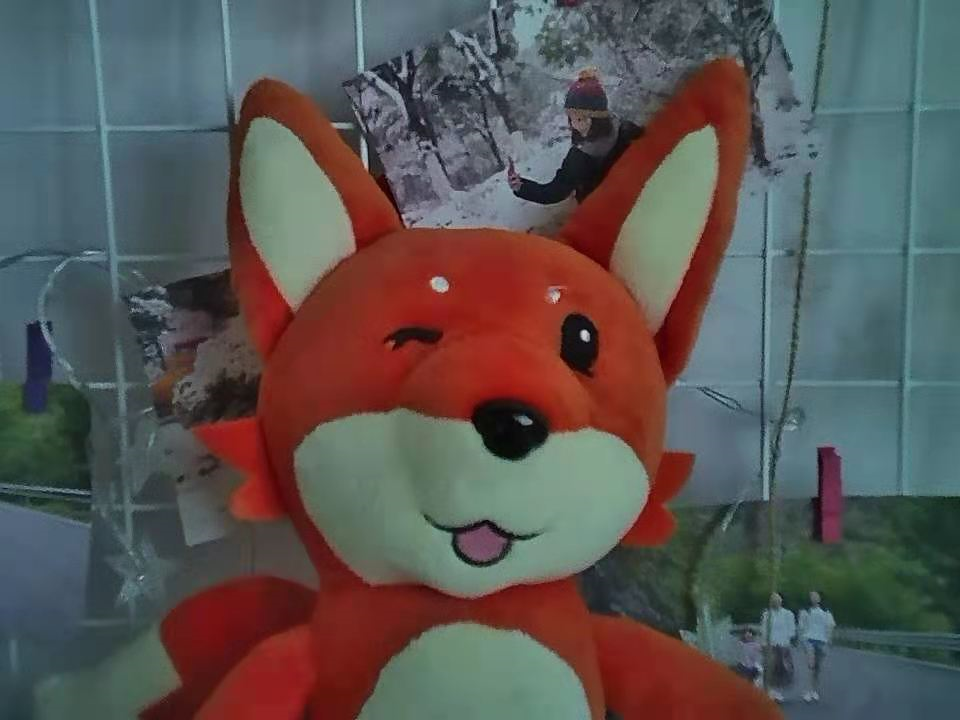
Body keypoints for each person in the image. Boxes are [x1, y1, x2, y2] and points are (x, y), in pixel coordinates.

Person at [507, 68, 643, 205]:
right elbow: (553, 192)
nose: (575, 125)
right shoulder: (621, 128)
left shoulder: (580, 158)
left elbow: (553, 193)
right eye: (572, 119)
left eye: (580, 119)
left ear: (597, 118)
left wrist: (521, 188)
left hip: (614, 205)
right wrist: (522, 187)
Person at [798, 590, 836, 703]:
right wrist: (801, 641)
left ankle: (814, 690)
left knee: (817, 668)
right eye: (812, 596)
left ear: (820, 598)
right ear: (809, 599)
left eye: (816, 596)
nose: (814, 598)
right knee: (811, 665)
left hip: (821, 641)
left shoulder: (826, 612)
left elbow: (830, 626)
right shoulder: (805, 612)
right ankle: (808, 691)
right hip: (809, 640)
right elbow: (801, 627)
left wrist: (829, 640)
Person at [759, 592, 796, 702]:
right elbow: (763, 629)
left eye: (777, 599)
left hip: (783, 644)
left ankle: (776, 691)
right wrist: (765, 643)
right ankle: (767, 690)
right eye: (773, 599)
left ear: (781, 600)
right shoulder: (767, 614)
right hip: (770, 645)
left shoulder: (788, 614)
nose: (775, 601)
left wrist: (785, 641)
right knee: (769, 666)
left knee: (781, 668)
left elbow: (792, 630)